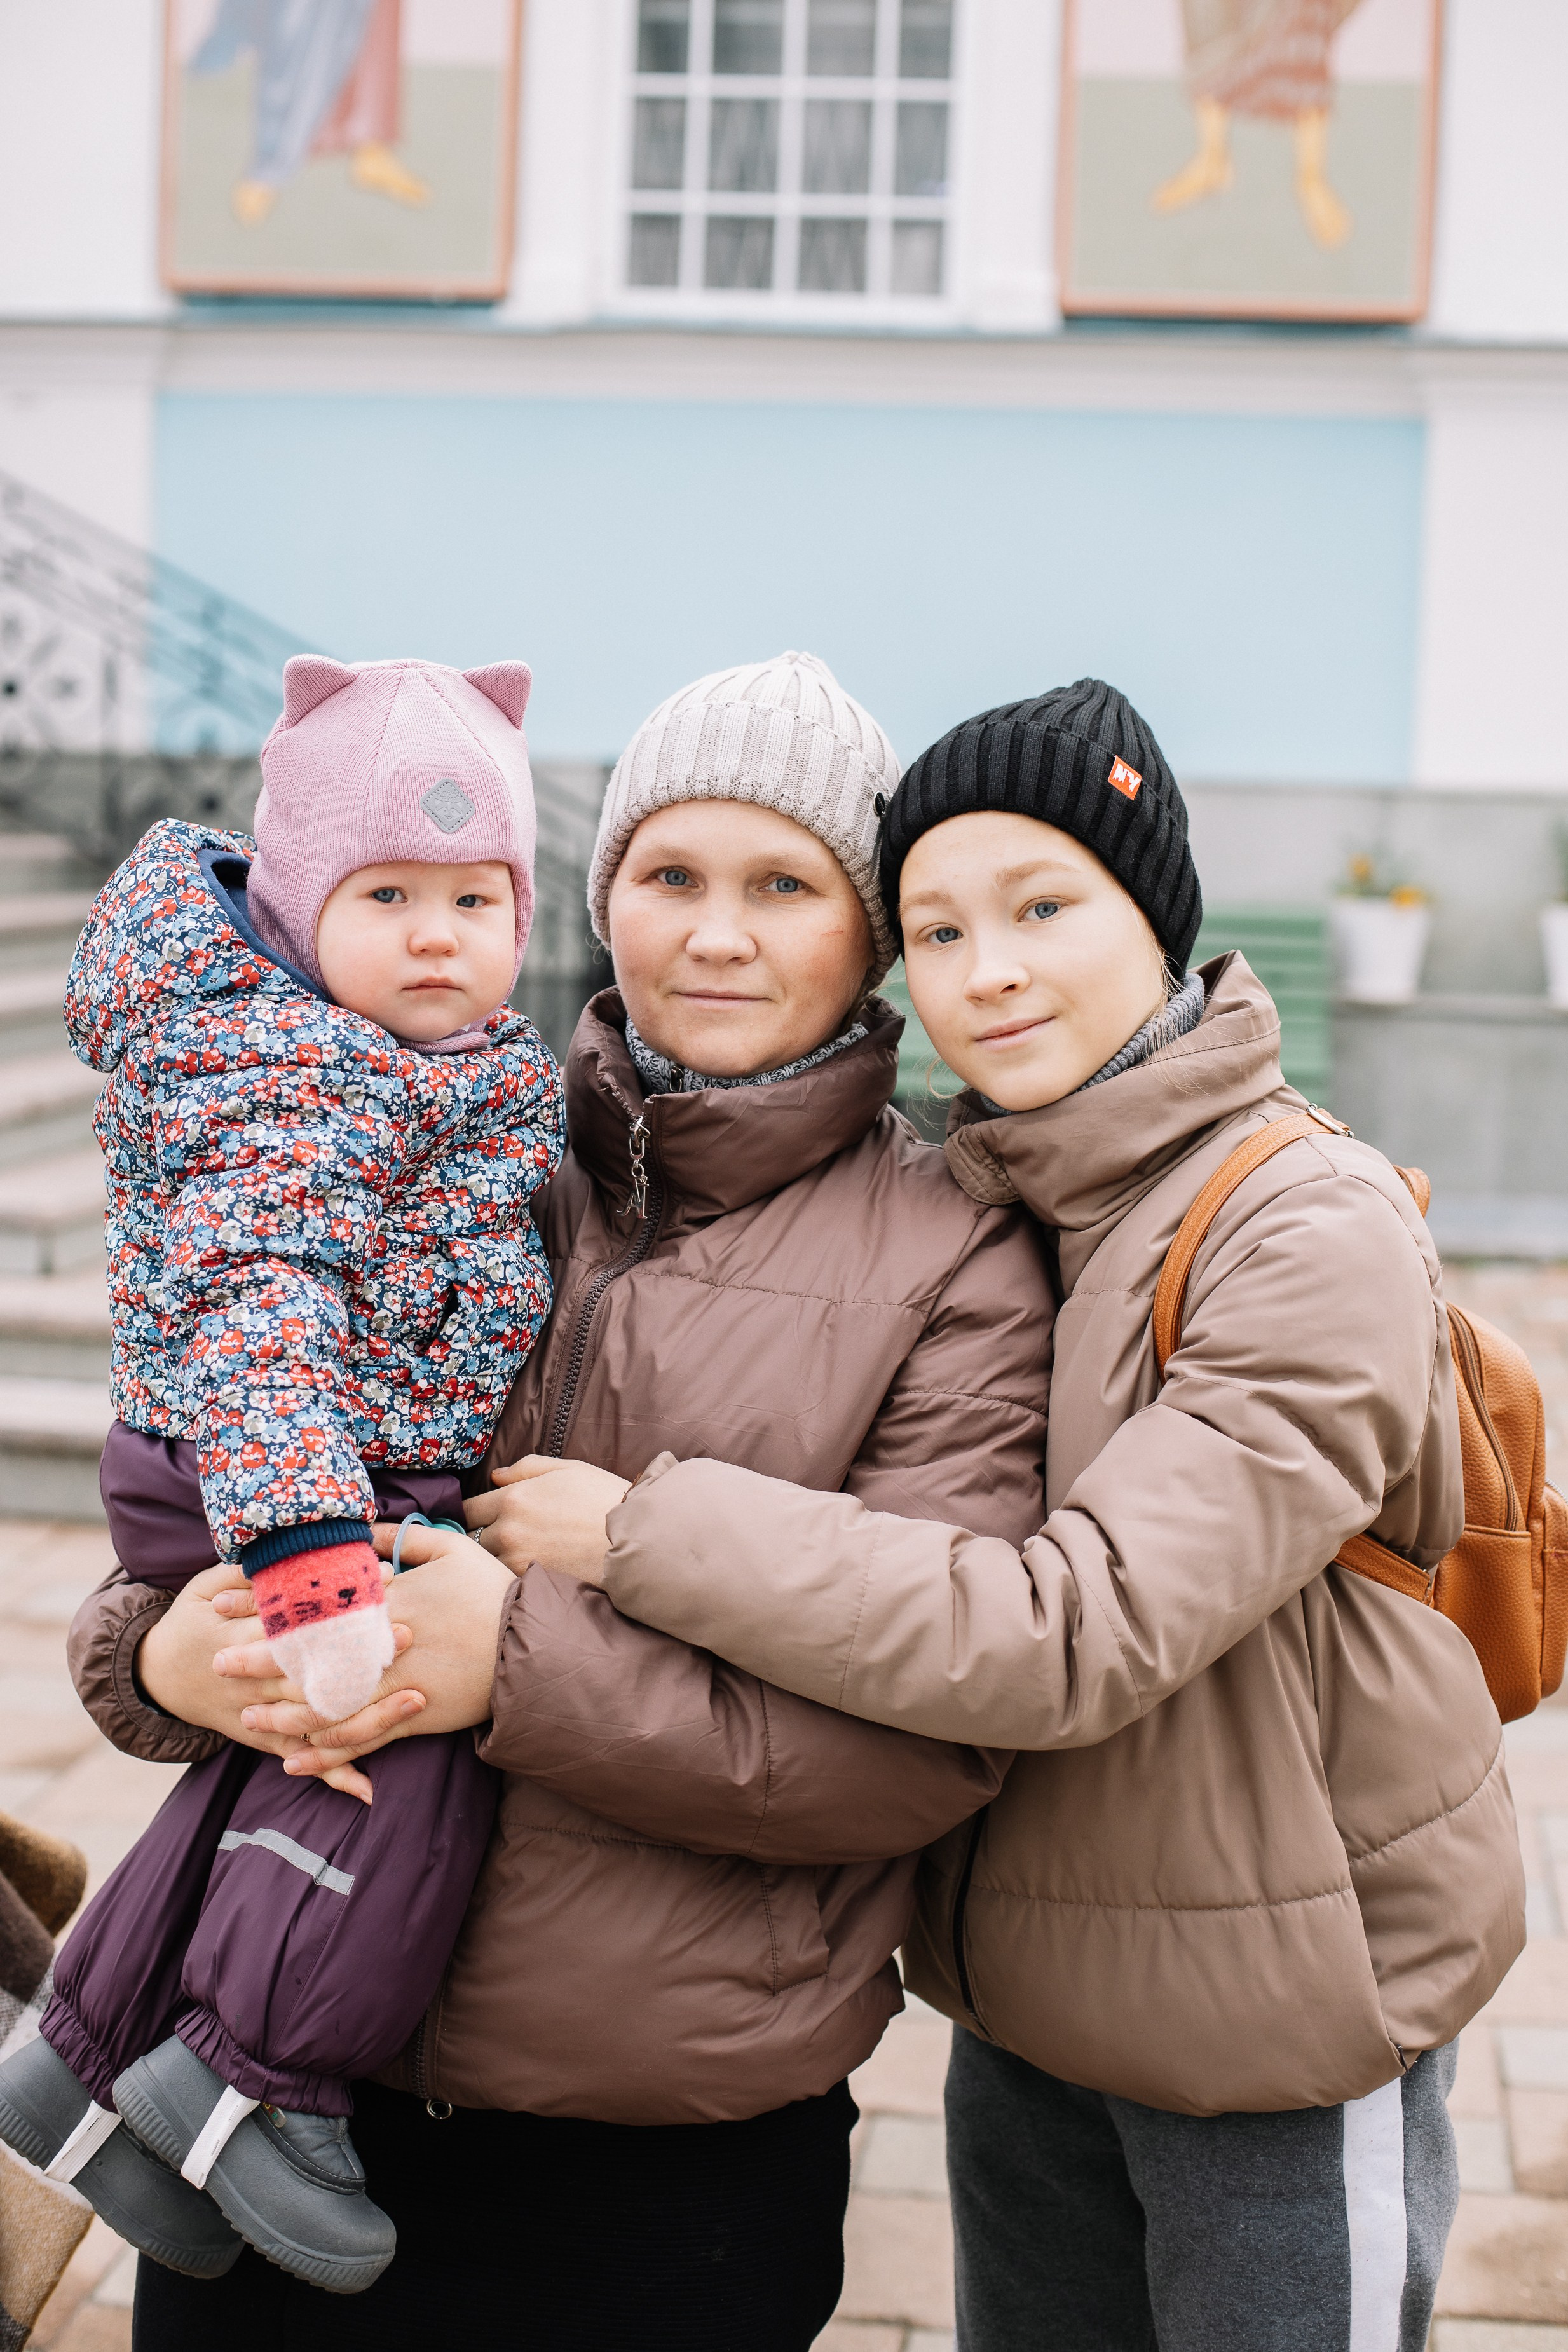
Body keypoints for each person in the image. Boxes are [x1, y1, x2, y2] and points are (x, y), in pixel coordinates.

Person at [491, 679, 1527, 2352]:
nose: (991, 968)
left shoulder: (1295, 1217)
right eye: (940, 924)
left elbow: (1079, 1624)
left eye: (1044, 906)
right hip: (1035, 2006)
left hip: (1278, 2014)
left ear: (1157, 919)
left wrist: (641, 1531)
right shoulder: (1020, 1189)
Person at [66, 650, 1053, 2352]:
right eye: (669, 875)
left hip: (655, 2167)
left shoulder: (953, 1258)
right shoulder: (441, 1130)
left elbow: (922, 1741)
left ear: (868, 926)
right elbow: (217, 1477)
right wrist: (157, 1665)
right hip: (280, 2114)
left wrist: (507, 1663)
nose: (714, 933)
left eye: (781, 884)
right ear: (598, 899)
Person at [0, 656, 561, 2295]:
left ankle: (89, 2052)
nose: (441, 933)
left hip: (304, 1456)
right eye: (390, 893)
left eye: (477, 895)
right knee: (393, 1755)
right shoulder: (292, 1071)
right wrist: (322, 1565)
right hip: (273, 1466)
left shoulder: (400, 1055)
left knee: (251, 1769)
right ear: (303, 902)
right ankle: (259, 2079)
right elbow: (262, 1313)